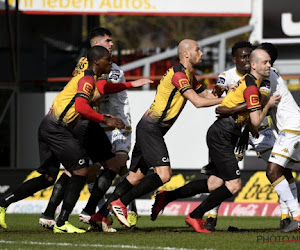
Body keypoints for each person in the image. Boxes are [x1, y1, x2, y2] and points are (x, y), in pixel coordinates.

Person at [0, 46, 151, 233]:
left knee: (48, 178)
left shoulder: (90, 77)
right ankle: (62, 222)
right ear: (97, 62)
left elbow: (105, 88)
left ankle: (2, 203)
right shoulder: (88, 79)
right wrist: (105, 118)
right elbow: (80, 106)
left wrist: (129, 84)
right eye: (108, 59)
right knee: (80, 170)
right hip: (57, 129)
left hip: (49, 126)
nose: (111, 62)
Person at [89, 39, 224, 228]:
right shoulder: (179, 75)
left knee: (135, 177)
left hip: (149, 127)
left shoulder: (188, 74)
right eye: (197, 50)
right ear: (186, 54)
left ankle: (100, 215)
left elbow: (207, 96)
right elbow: (198, 102)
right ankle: (120, 203)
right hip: (151, 128)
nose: (201, 53)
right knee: (164, 174)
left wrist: (223, 93)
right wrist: (225, 101)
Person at [152, 48, 280, 233]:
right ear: (253, 65)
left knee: (214, 184)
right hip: (223, 134)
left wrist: (246, 129)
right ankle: (195, 215)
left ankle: (167, 196)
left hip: (224, 133)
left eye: (269, 62)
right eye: (265, 62)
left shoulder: (248, 82)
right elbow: (255, 120)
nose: (269, 65)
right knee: (234, 185)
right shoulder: (251, 87)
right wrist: (267, 105)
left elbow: (236, 114)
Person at [39, 27, 138, 233]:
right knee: (108, 165)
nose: (112, 45)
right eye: (108, 41)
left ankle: (51, 214)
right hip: (87, 123)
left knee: (84, 169)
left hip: (80, 122)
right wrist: (104, 117)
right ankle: (89, 213)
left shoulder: (83, 65)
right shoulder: (96, 71)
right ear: (97, 49)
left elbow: (98, 91)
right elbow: (93, 95)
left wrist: (130, 83)